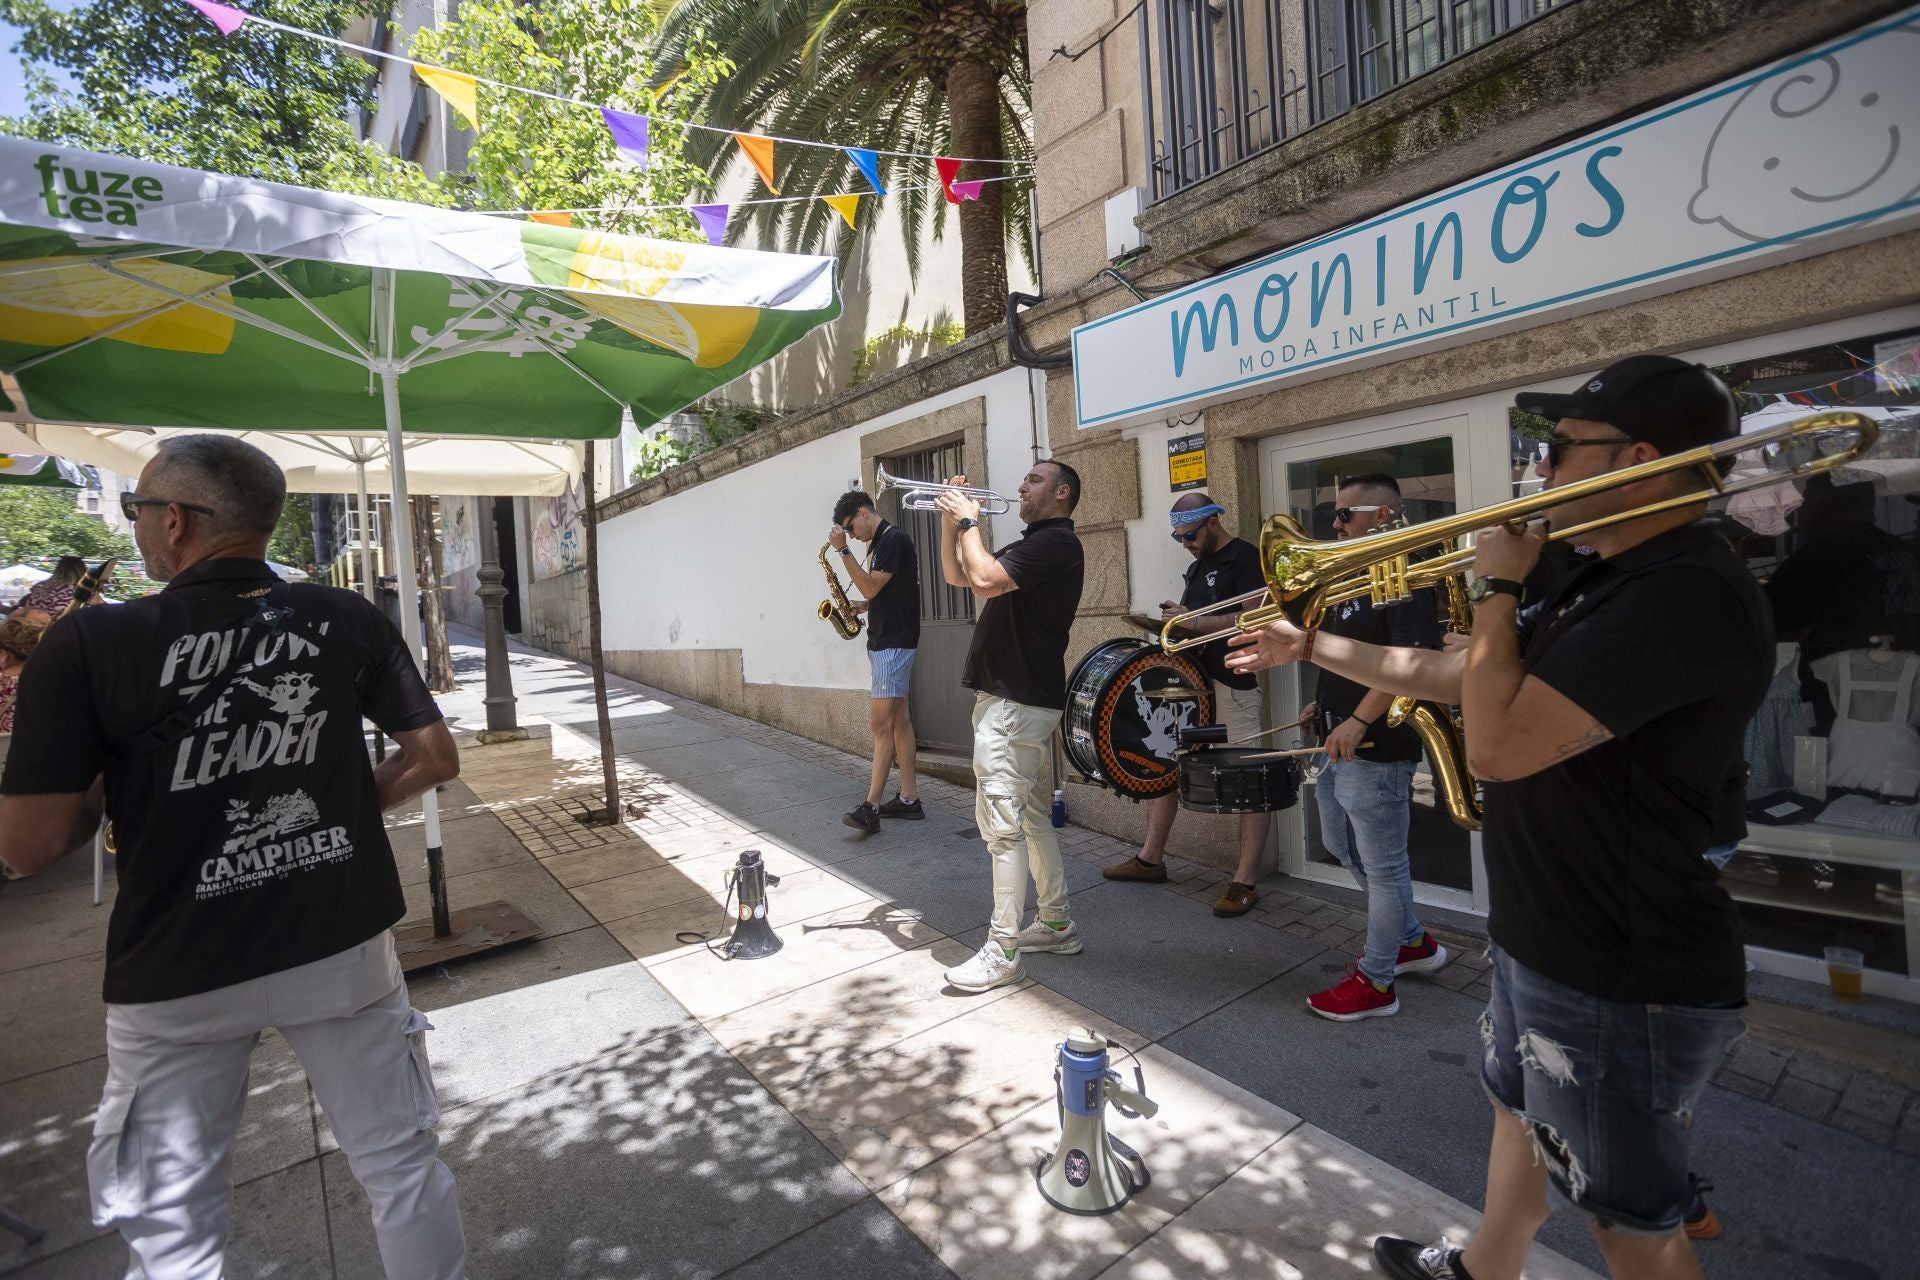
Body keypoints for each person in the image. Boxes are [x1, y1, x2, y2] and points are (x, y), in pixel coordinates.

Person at [1228, 355, 1770, 1280]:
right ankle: (1485, 1268)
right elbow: (1460, 678)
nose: (1539, 471)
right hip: (1548, 932)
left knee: (1630, 1228)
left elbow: (1497, 745)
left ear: (1637, 457)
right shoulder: (1597, 574)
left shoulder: (1683, 591)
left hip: (1619, 960)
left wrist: (1498, 589)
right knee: (1517, 1113)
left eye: (1557, 451)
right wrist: (1310, 640)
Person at [0, 434, 468, 1279]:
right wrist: (349, 807)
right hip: (342, 939)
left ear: (174, 521)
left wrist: (118, 782)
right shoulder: (343, 616)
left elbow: (27, 848)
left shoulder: (88, 644)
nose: (136, 526)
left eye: (137, 509)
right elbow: (435, 758)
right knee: (402, 1171)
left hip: (178, 967)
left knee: (174, 1226)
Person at [1298, 474, 1448, 1020]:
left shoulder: (1405, 573)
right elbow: (1351, 658)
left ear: (1383, 516)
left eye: (1345, 515)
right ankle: (1410, 940)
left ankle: (1378, 980)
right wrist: (1325, 706)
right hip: (1343, 736)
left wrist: (1360, 719)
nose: (1334, 526)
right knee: (1337, 836)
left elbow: (1411, 661)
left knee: (1384, 867)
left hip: (1379, 743)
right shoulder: (1356, 573)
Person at [936, 460, 1085, 993]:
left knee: (1001, 826)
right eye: (1024, 479)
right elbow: (959, 576)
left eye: (1035, 480)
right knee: (1028, 818)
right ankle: (1057, 923)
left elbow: (981, 577)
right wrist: (950, 521)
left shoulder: (1058, 543)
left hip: (1016, 700)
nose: (1021, 486)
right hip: (1011, 698)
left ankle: (1003, 949)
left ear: (1062, 493)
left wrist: (970, 520)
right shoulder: (1034, 543)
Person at [1103, 492, 1274, 916]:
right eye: (1179, 538)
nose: (1185, 544)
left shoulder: (1246, 558)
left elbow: (1256, 618)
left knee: (1250, 781)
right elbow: (1196, 622)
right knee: (1165, 769)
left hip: (1232, 684)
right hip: (1192, 687)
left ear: (1213, 523)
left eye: (1190, 535)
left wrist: (1191, 620)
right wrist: (1176, 618)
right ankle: (1150, 859)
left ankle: (1245, 881)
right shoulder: (1198, 566)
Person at [829, 488, 924, 834]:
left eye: (850, 528)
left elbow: (870, 586)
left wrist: (842, 552)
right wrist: (866, 607)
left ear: (864, 514)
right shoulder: (883, 542)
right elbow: (886, 591)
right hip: (889, 641)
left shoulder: (892, 540)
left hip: (893, 646)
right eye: (847, 532)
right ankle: (909, 799)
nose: (851, 535)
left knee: (880, 726)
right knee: (899, 722)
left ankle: (870, 807)